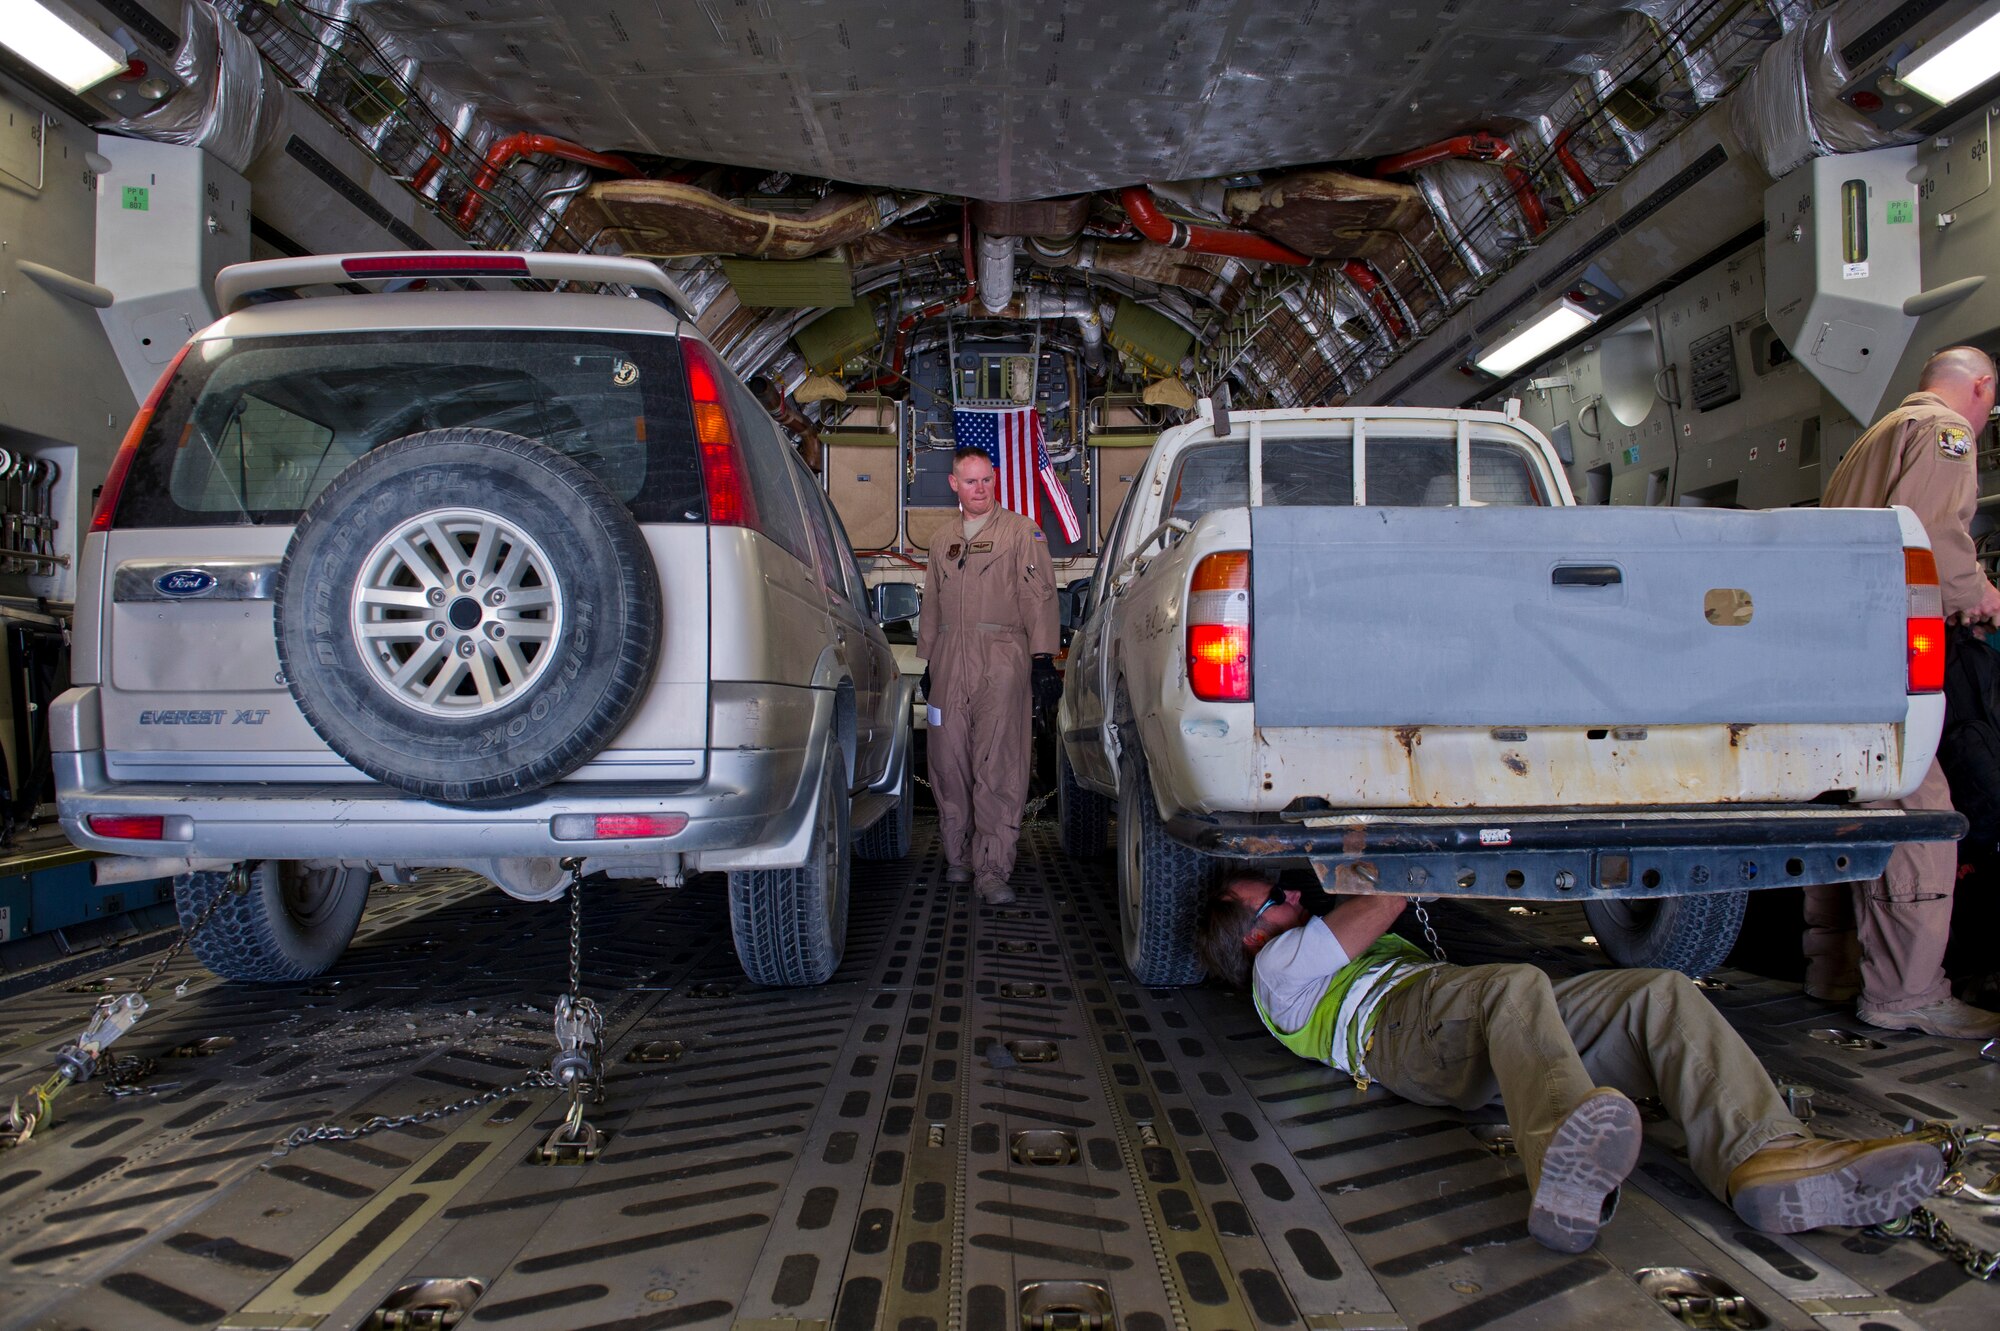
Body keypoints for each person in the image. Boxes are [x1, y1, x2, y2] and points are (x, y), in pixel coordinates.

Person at [1195, 873, 1945, 1254]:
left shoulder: (1293, 948)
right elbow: (1385, 899)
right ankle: (1564, 1156)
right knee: (1512, 984)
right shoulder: (1276, 975)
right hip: (1409, 1034)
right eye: (1277, 899)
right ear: (1252, 935)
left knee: (1659, 996)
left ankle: (1762, 1156)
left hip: (1487, 1039)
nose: (1296, 891)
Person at [1810, 345, 2000, 1040]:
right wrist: (1981, 594)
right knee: (1922, 811)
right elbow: (1929, 541)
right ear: (1979, 387)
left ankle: (1833, 969)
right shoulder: (1945, 434)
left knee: (1853, 805)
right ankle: (1908, 992)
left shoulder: (1874, 436)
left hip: (1836, 654)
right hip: (1884, 651)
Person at [916, 447, 1061, 904]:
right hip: (948, 664)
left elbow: (1040, 596)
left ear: (994, 480)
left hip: (1001, 658)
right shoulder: (941, 541)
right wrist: (928, 663)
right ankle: (959, 857)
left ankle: (993, 870)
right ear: (954, 485)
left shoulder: (1021, 532)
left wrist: (1041, 659)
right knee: (947, 761)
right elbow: (932, 606)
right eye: (970, 481)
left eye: (986, 481)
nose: (980, 489)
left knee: (998, 763)